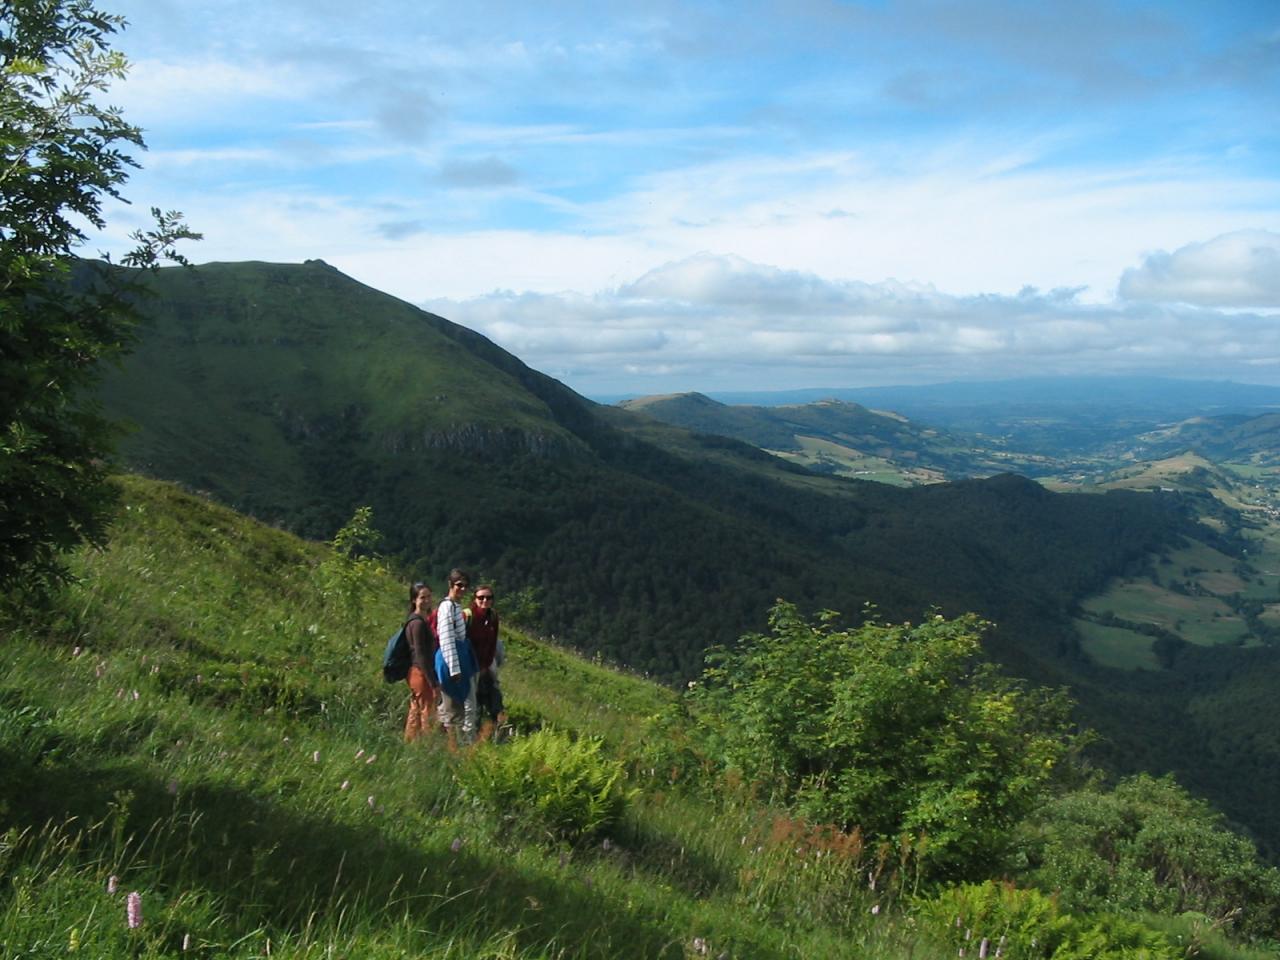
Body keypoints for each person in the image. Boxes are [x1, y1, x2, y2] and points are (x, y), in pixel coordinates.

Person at [435, 568, 478, 748]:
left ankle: (437, 741)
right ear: (450, 585)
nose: (462, 589)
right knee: (454, 708)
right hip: (450, 661)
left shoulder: (456, 607)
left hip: (460, 659)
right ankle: (453, 749)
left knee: (455, 706)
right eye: (459, 585)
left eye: (465, 586)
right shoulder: (447, 608)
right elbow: (446, 639)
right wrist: (454, 668)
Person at [468, 584, 506, 740]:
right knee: (473, 703)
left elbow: (493, 643)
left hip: (487, 665)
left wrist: (487, 664)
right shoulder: (469, 616)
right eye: (481, 597)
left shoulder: (492, 617)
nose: (485, 600)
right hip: (470, 667)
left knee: (494, 697)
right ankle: (471, 737)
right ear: (474, 599)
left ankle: (497, 733)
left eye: (488, 597)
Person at [403, 581, 437, 742]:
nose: (427, 601)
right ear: (414, 600)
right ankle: (428, 746)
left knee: (415, 710)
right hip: (420, 672)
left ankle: (410, 744)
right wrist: (432, 682)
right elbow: (420, 654)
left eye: (429, 597)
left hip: (416, 672)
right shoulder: (417, 623)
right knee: (426, 712)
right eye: (422, 597)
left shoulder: (421, 620)